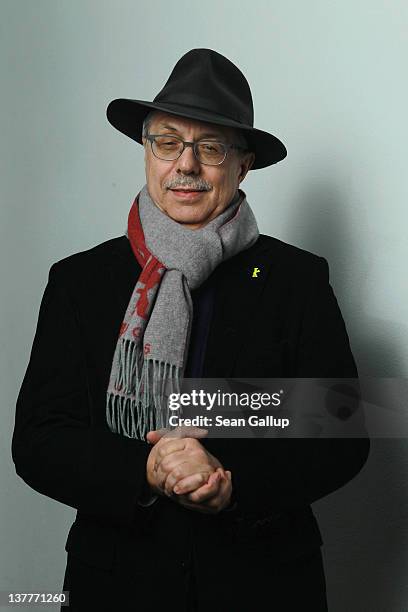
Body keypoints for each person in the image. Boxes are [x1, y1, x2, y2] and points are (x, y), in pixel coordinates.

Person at [12, 48, 370, 611]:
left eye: (210, 148)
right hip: (118, 582)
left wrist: (230, 479)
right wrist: (146, 470)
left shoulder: (296, 279)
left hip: (263, 585)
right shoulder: (80, 281)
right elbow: (38, 440)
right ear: (147, 152)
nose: (186, 165)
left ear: (242, 165)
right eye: (168, 142)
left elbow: (341, 433)